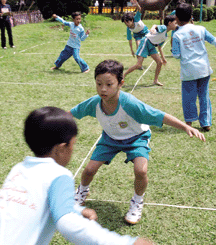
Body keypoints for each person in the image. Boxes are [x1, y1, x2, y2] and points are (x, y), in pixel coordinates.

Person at [0, 106, 155, 245]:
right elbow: (66, 223)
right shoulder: (58, 175)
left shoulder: (18, 169)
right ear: (62, 148)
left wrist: (77, 209)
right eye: (73, 145)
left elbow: (39, 199)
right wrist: (125, 243)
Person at [72, 60, 206, 225]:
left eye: (109, 84)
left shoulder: (129, 103)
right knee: (89, 170)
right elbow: (72, 113)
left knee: (141, 170)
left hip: (137, 138)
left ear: (121, 83)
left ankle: (137, 201)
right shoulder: (94, 103)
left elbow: (158, 115)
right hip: (110, 138)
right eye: (99, 84)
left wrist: (185, 127)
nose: (103, 89)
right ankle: (81, 192)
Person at [172, 3, 216, 131]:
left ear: (176, 18)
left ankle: (189, 123)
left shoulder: (176, 35)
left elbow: (176, 55)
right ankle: (206, 123)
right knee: (204, 96)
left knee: (188, 97)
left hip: (189, 71)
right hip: (204, 69)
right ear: (191, 16)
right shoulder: (201, 29)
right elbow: (215, 41)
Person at [123, 15, 177, 86]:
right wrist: (152, 29)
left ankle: (155, 80)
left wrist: (163, 58)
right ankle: (123, 75)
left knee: (159, 62)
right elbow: (155, 25)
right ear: (169, 23)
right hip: (146, 41)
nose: (176, 25)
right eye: (175, 23)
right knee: (139, 65)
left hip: (151, 45)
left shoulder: (165, 36)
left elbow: (159, 47)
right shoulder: (164, 27)